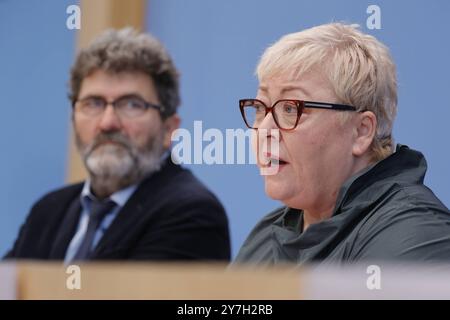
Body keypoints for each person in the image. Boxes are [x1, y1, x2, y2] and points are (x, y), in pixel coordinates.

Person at [4, 28, 230, 262]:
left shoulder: (192, 213)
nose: (108, 123)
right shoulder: (48, 211)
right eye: (93, 103)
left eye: (131, 104)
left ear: (168, 128)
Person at [235, 23, 450, 265]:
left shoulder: (416, 238)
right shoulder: (264, 237)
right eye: (261, 108)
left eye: (290, 109)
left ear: (361, 131)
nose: (264, 130)